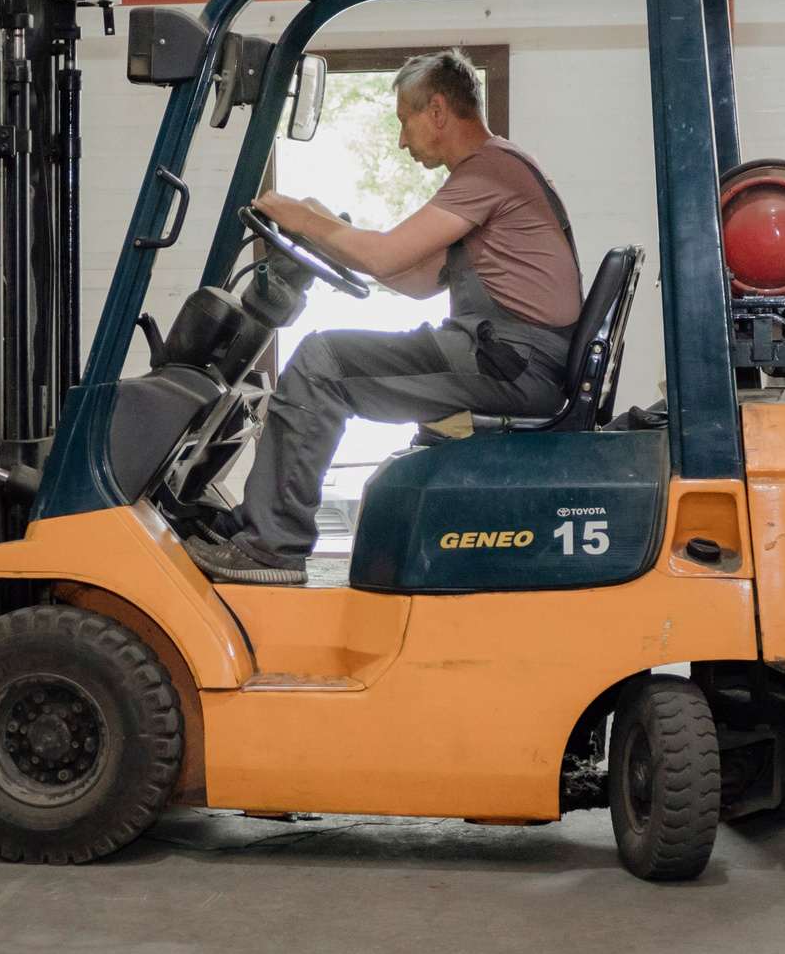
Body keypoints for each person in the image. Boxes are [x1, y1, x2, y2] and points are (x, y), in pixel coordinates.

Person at [185, 50, 583, 586]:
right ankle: (253, 524)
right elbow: (416, 281)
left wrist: (304, 217)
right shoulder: (497, 168)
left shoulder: (489, 170)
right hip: (506, 355)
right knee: (324, 356)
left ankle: (272, 546)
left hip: (510, 363)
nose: (401, 140)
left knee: (319, 362)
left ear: (437, 110)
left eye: (405, 121)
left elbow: (386, 256)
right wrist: (325, 233)